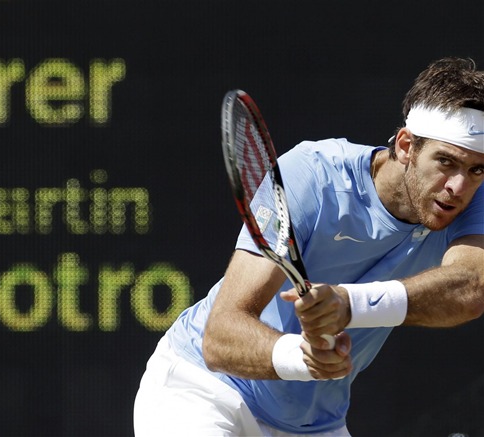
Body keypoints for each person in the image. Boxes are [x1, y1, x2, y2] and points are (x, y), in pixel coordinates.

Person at [133, 56, 484, 436]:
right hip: (203, 389)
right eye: (446, 162)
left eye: (477, 169)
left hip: (312, 423)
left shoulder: (472, 201)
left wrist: (347, 304)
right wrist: (302, 357)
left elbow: (469, 289)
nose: (458, 187)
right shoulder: (313, 174)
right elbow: (219, 339)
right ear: (405, 147)